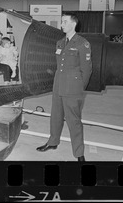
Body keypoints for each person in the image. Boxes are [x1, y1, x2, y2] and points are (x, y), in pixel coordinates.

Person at [36, 14, 92, 162]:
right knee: (55, 117)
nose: (61, 25)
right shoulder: (60, 42)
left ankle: (79, 153)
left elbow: (87, 70)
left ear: (73, 24)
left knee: (74, 121)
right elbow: (59, 65)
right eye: (62, 22)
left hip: (73, 88)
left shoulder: (82, 43)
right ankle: (53, 142)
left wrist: (80, 87)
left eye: (64, 22)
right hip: (58, 85)